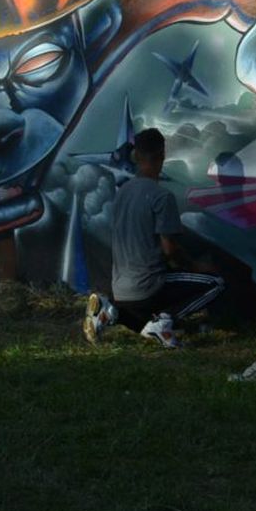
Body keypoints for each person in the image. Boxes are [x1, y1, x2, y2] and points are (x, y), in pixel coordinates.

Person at [83, 128, 225, 347]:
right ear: (162, 155)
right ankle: (165, 320)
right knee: (215, 283)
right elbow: (170, 250)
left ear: (136, 157)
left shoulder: (123, 192)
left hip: (121, 289)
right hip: (149, 288)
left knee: (144, 318)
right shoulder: (162, 196)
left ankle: (112, 312)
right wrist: (197, 266)